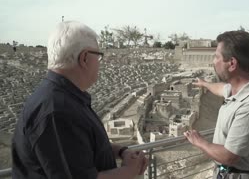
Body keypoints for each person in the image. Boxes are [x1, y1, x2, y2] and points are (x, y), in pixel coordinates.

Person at [12, 21, 148, 179]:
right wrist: (130, 171)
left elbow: (82, 148)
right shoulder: (57, 111)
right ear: (84, 58)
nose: (99, 63)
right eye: (99, 56)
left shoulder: (64, 99)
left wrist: (121, 151)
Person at [184, 30, 249, 179]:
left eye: (217, 57)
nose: (213, 62)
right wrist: (205, 84)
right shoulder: (240, 89)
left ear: (232, 63)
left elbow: (229, 156)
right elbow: (221, 88)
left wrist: (199, 141)